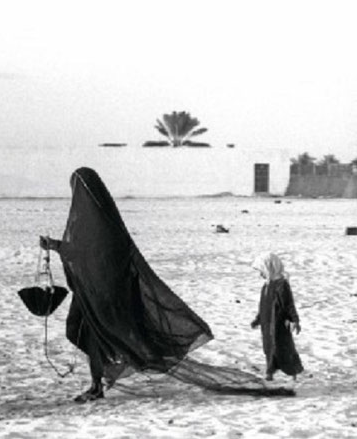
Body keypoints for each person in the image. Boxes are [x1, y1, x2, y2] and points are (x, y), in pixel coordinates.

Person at [39, 167, 213, 402]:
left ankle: (97, 383)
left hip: (103, 292)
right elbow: (82, 251)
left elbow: (96, 253)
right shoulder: (85, 218)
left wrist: (58, 247)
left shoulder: (103, 221)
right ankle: (109, 368)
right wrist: (56, 245)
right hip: (88, 290)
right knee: (76, 331)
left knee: (94, 335)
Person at [250, 252, 303, 381]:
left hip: (279, 323)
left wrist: (295, 320)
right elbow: (263, 305)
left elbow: (289, 304)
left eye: (262, 271)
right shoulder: (266, 285)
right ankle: (270, 371)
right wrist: (258, 319)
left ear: (270, 268)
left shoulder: (281, 285)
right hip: (267, 323)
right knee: (268, 348)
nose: (260, 274)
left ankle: (292, 372)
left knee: (283, 347)